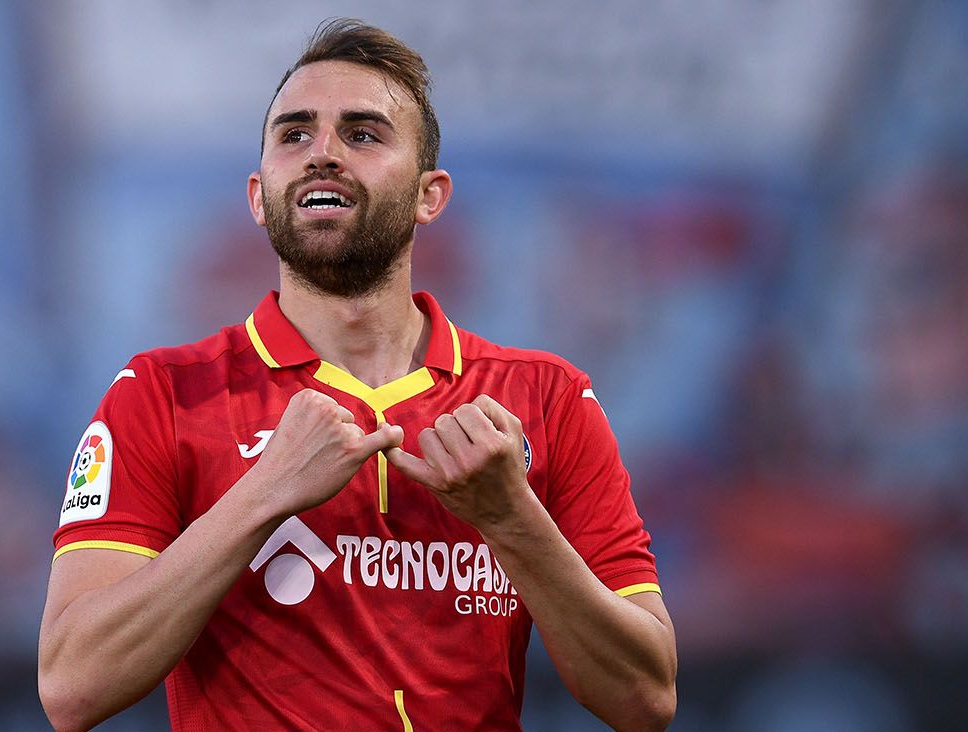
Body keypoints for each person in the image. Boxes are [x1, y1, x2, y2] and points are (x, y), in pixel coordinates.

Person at [39, 18, 676, 732]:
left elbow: (645, 700)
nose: (323, 155)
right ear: (258, 195)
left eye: (364, 134)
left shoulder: (550, 398)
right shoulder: (160, 394)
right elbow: (72, 686)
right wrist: (263, 495)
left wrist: (512, 520)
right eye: (295, 134)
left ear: (430, 195)